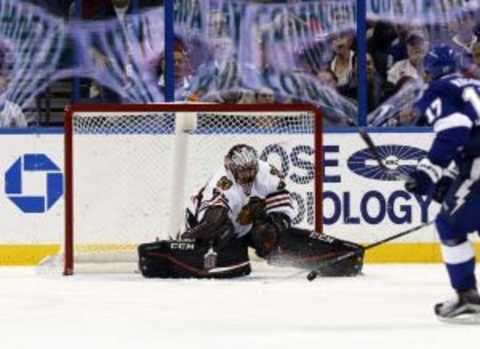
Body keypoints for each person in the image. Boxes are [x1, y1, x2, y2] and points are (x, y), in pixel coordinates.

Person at [138, 144, 364, 279]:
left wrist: (273, 223)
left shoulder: (267, 172)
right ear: (231, 168)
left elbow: (283, 208)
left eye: (250, 170)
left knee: (269, 234)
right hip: (213, 228)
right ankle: (203, 254)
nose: (247, 176)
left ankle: (329, 258)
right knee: (222, 229)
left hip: (246, 227)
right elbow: (211, 221)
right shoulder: (221, 183)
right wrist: (188, 238)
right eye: (242, 171)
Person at [405, 44, 480, 323]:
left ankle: (468, 297)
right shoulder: (474, 85)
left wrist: (425, 176)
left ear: (429, 72)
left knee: (449, 224)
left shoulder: (439, 90)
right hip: (472, 166)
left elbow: (455, 131)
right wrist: (446, 181)